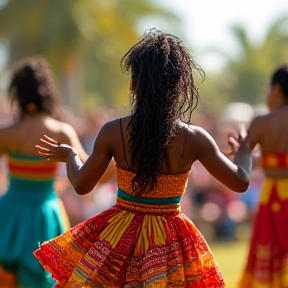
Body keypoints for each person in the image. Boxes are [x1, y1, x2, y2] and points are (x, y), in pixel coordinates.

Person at [34, 29, 252, 288]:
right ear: (179, 86)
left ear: (134, 83)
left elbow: (82, 185)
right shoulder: (194, 138)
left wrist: (71, 156)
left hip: (119, 234)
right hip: (172, 239)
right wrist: (245, 151)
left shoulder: (113, 132)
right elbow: (241, 181)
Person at [0, 56, 88, 288]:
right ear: (47, 93)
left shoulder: (6, 134)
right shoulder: (62, 132)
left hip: (9, 213)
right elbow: (91, 171)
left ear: (17, 94)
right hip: (45, 215)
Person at [238, 64, 288, 288]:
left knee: (268, 249)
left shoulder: (261, 123)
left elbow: (244, 158)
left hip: (271, 197)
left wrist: (237, 150)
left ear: (276, 89)